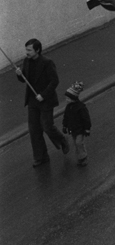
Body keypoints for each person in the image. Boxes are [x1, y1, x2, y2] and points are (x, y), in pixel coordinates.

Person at [15, 38, 69, 166]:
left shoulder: (47, 62)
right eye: (26, 49)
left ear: (37, 50)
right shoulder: (26, 62)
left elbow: (54, 81)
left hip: (45, 101)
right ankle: (41, 157)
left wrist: (43, 95)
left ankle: (62, 140)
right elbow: (24, 79)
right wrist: (19, 74)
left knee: (47, 127)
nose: (26, 52)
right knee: (34, 130)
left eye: (29, 50)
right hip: (32, 101)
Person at [61, 81, 91, 166]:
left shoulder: (81, 107)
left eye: (68, 98)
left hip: (80, 129)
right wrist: (65, 125)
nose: (66, 100)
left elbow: (86, 119)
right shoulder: (69, 107)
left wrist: (87, 129)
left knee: (79, 143)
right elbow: (66, 117)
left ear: (72, 98)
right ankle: (80, 157)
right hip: (73, 129)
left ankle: (83, 157)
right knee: (76, 144)